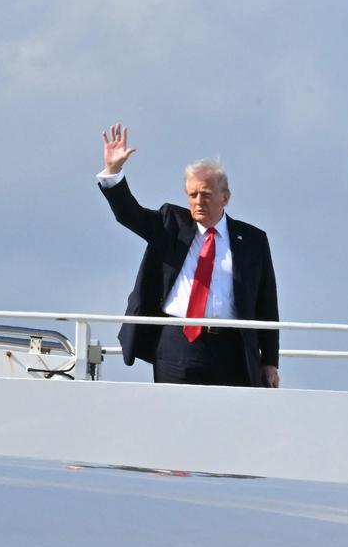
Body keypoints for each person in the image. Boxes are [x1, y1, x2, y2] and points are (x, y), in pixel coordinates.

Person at [97, 123, 280, 388]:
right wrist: (113, 171)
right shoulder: (172, 224)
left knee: (228, 423)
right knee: (174, 420)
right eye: (192, 195)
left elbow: (267, 304)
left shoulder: (253, 240)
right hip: (177, 344)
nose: (197, 201)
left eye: (205, 194)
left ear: (225, 198)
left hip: (232, 348)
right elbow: (129, 214)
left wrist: (270, 361)